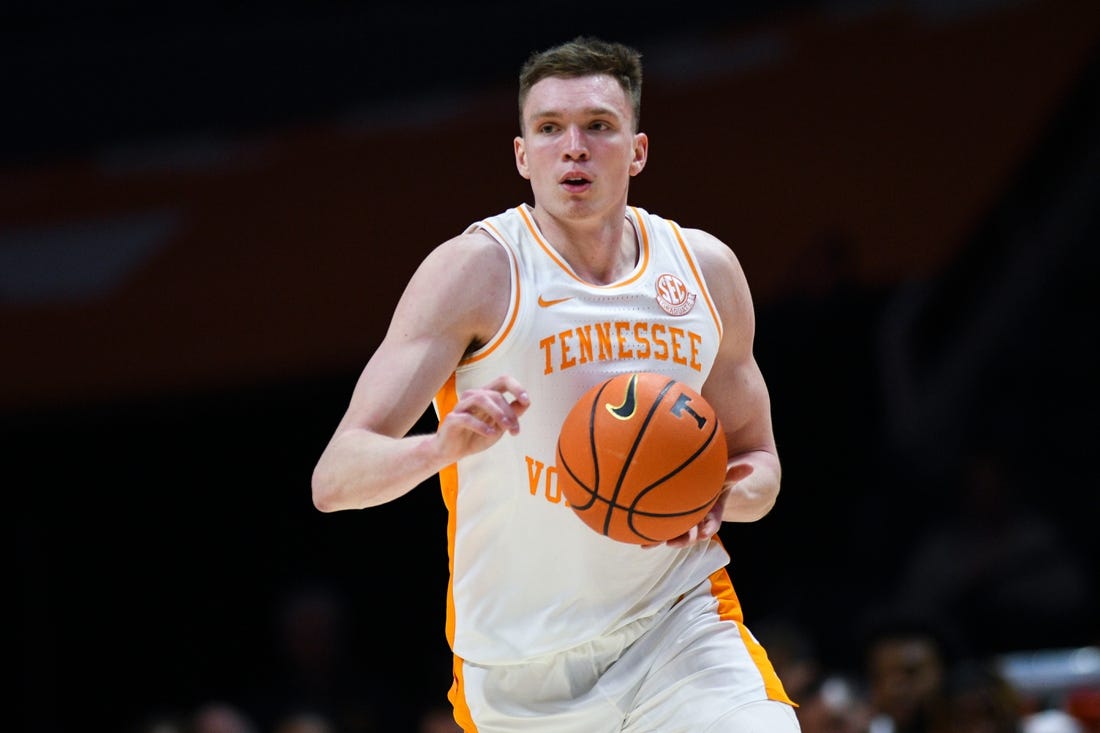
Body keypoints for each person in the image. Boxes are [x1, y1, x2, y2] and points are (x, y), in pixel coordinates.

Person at [312, 35, 799, 732]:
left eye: (598, 127)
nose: (574, 147)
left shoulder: (704, 271)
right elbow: (335, 479)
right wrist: (440, 447)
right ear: (521, 155)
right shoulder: (475, 272)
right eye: (549, 129)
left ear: (637, 150)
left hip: (677, 626)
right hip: (519, 672)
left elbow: (763, 464)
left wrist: (722, 491)